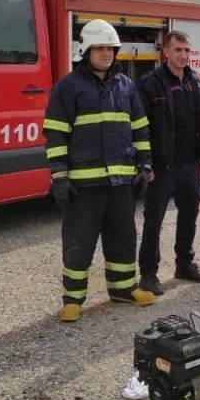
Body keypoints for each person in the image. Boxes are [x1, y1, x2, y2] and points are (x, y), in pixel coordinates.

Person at [43, 19, 155, 322]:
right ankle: (73, 299)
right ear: (86, 50)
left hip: (120, 183)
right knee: (79, 241)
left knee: (122, 238)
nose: (107, 53)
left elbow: (141, 129)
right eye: (101, 48)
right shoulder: (68, 88)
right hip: (84, 184)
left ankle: (122, 288)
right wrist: (60, 176)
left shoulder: (126, 85)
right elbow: (55, 134)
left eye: (111, 48)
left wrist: (144, 165)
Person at [136, 31, 200, 295]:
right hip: (162, 166)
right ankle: (148, 273)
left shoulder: (194, 81)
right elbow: (139, 128)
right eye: (178, 50)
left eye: (187, 50)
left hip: (189, 164)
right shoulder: (149, 84)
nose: (183, 55)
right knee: (153, 219)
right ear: (165, 52)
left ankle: (184, 264)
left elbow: (199, 124)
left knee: (189, 215)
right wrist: (146, 163)